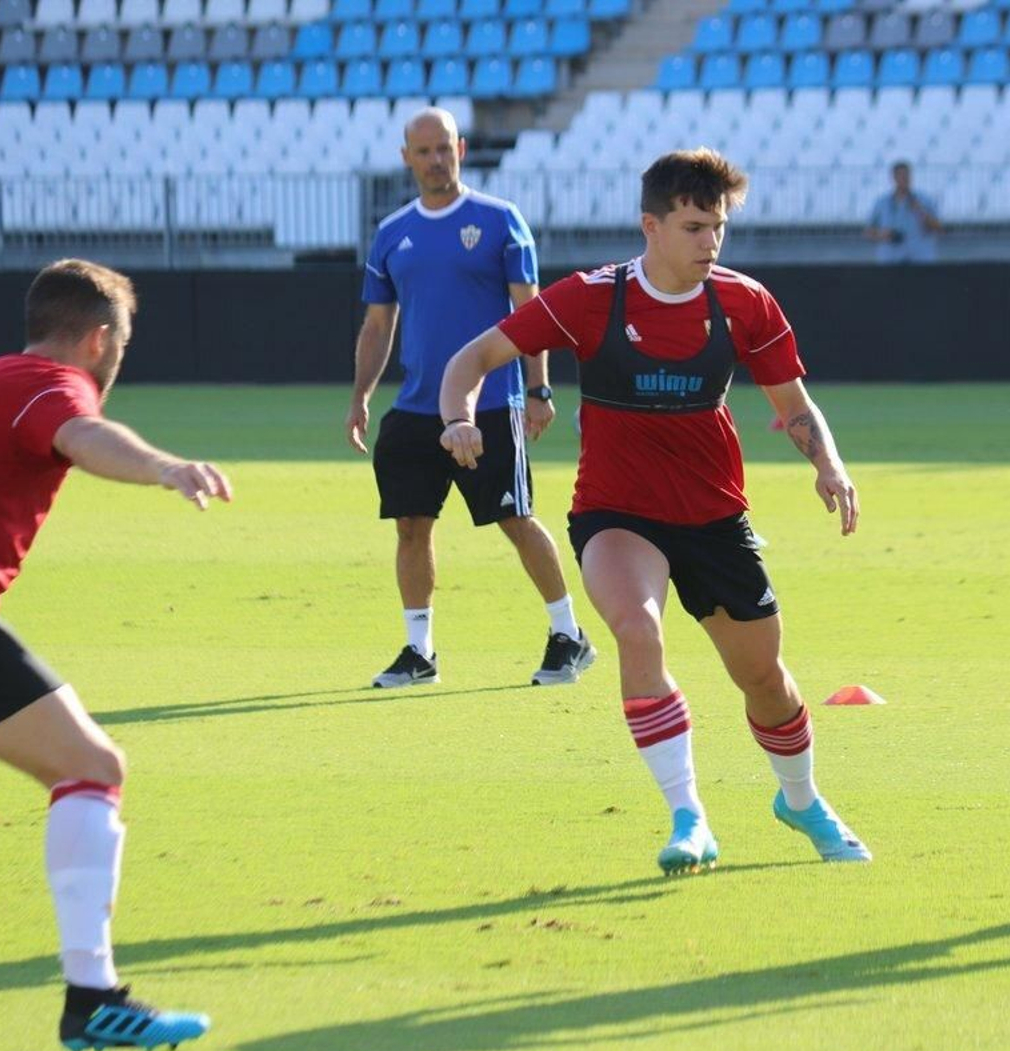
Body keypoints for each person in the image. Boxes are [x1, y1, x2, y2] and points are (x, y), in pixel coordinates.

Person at [437, 149, 871, 874]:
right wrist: (458, 417)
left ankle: (800, 800)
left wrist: (828, 463)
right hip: (617, 514)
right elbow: (472, 360)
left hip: (713, 517)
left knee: (764, 679)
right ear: (652, 226)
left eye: (719, 227)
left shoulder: (745, 303)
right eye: (695, 227)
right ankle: (688, 817)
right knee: (638, 631)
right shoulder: (591, 298)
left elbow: (795, 406)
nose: (711, 242)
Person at [0, 259, 232, 1051]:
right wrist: (165, 467)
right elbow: (85, 434)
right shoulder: (52, 385)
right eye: (119, 347)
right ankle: (94, 999)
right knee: (92, 766)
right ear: (99, 340)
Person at [348, 107, 594, 689]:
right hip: (416, 407)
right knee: (411, 527)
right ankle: (419, 651)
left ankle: (568, 634)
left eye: (444, 148)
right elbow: (378, 325)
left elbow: (532, 312)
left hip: (491, 403)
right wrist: (360, 396)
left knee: (515, 518)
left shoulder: (499, 220)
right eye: (424, 151)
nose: (436, 160)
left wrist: (538, 388)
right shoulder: (392, 233)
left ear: (460, 149)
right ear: (406, 158)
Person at [865, 161, 943, 264]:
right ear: (894, 178)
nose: (904, 179)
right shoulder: (881, 203)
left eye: (907, 175)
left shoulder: (924, 200)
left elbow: (938, 228)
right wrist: (883, 235)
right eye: (900, 175)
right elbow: (869, 232)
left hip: (919, 259)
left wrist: (921, 212)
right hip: (891, 259)